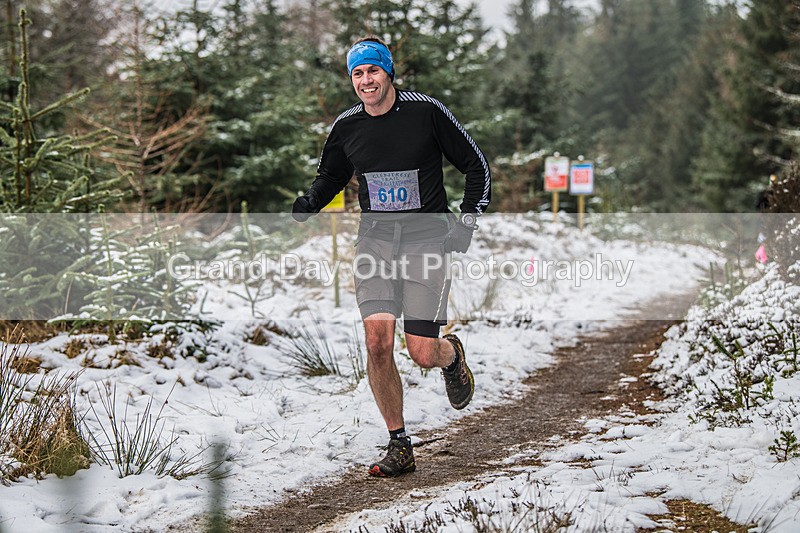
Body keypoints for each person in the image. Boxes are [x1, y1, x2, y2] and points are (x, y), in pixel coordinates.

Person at [292, 36, 491, 477]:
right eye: (358, 73)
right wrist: (311, 202)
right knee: (377, 343)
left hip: (426, 241)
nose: (366, 80)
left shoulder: (425, 112)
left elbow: (476, 165)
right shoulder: (347, 126)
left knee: (421, 351)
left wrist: (467, 221)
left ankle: (451, 356)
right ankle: (399, 443)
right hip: (376, 242)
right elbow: (331, 175)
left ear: (389, 73)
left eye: (373, 71)